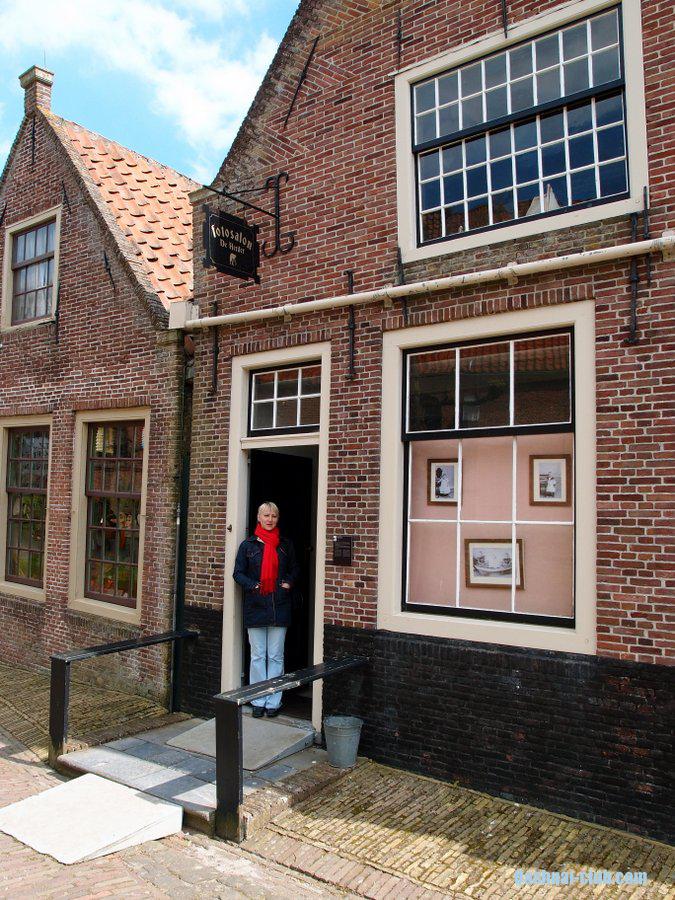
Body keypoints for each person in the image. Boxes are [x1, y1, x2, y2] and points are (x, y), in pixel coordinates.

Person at [233, 501, 299, 718]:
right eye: (266, 515)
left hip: (280, 606)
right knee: (258, 656)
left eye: (274, 516)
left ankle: (273, 701)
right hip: (256, 606)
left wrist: (289, 582)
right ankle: (258, 699)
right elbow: (238, 573)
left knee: (276, 656)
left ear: (277, 519)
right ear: (258, 518)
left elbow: (295, 569)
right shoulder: (248, 546)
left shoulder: (285, 545)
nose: (270, 519)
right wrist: (253, 585)